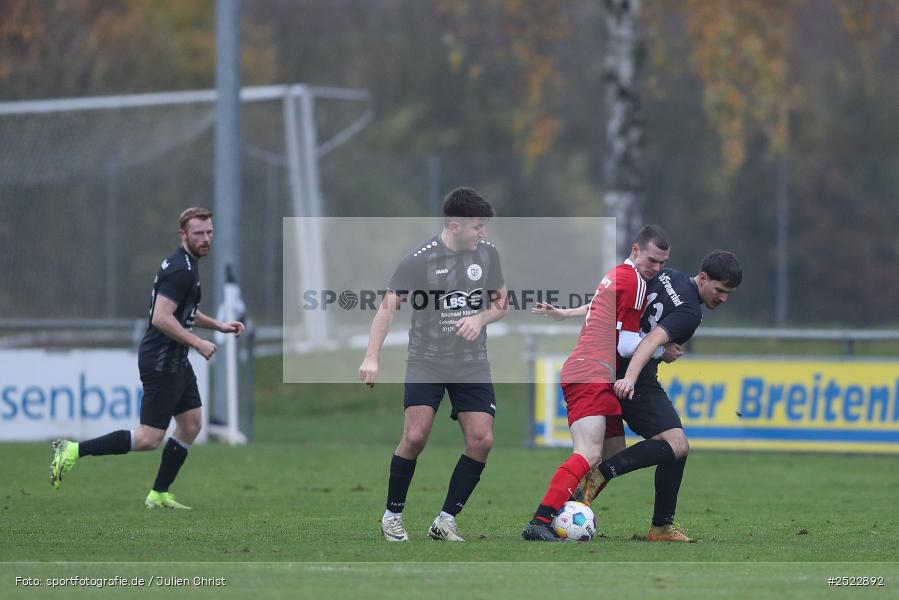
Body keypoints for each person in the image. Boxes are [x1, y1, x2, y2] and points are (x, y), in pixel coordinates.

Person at [49, 207, 245, 509]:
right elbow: (161, 318)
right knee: (148, 439)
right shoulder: (181, 270)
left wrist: (219, 325)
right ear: (183, 234)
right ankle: (72, 450)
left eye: (209, 232)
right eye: (199, 234)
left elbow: (185, 311)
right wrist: (198, 343)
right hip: (161, 361)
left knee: (191, 424)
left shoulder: (188, 265)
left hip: (176, 360)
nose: (206, 239)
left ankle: (159, 493)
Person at [359, 188, 508, 542]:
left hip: (471, 364)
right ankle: (392, 516)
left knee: (482, 440)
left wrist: (480, 319)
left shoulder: (488, 255)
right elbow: (387, 307)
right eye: (477, 227)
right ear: (455, 226)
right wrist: (371, 355)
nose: (482, 233)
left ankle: (445, 520)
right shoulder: (419, 260)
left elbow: (502, 303)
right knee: (414, 437)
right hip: (427, 360)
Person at [579, 250, 743, 542]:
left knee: (649, 450)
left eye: (729, 293)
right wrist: (631, 378)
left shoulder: (669, 276)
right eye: (719, 290)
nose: (723, 298)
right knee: (677, 446)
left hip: (604, 366)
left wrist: (569, 312)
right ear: (703, 278)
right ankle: (646, 513)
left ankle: (557, 512)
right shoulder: (690, 311)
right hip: (634, 380)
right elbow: (653, 340)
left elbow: (620, 304)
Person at [521, 225, 671, 542]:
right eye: (651, 260)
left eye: (661, 263)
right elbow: (628, 345)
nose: (655, 268)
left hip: (595, 372)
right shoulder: (636, 283)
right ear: (635, 250)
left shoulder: (618, 274)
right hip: (590, 371)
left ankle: (570, 510)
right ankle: (540, 520)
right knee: (588, 454)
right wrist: (661, 349)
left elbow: (599, 306)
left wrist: (564, 313)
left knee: (614, 452)